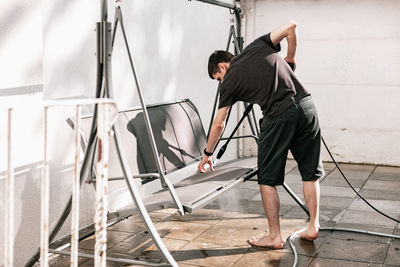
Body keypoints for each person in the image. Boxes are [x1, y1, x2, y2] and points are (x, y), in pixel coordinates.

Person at [197, 21, 324, 249]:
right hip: (307, 106)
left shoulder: (228, 83)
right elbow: (291, 27)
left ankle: (275, 237)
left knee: (267, 178)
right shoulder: (257, 45)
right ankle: (313, 226)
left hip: (278, 115)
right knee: (310, 172)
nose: (221, 83)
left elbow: (219, 123)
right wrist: (291, 58)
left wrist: (208, 153)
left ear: (223, 67)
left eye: (218, 78)